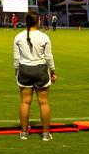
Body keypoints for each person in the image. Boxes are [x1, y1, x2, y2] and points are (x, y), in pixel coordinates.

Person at [13, 12, 56, 141]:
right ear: (38, 22)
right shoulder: (44, 37)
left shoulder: (18, 37)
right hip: (40, 70)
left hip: (25, 70)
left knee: (25, 102)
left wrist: (17, 73)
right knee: (44, 103)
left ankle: (24, 133)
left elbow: (16, 59)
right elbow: (49, 57)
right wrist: (53, 71)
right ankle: (46, 134)